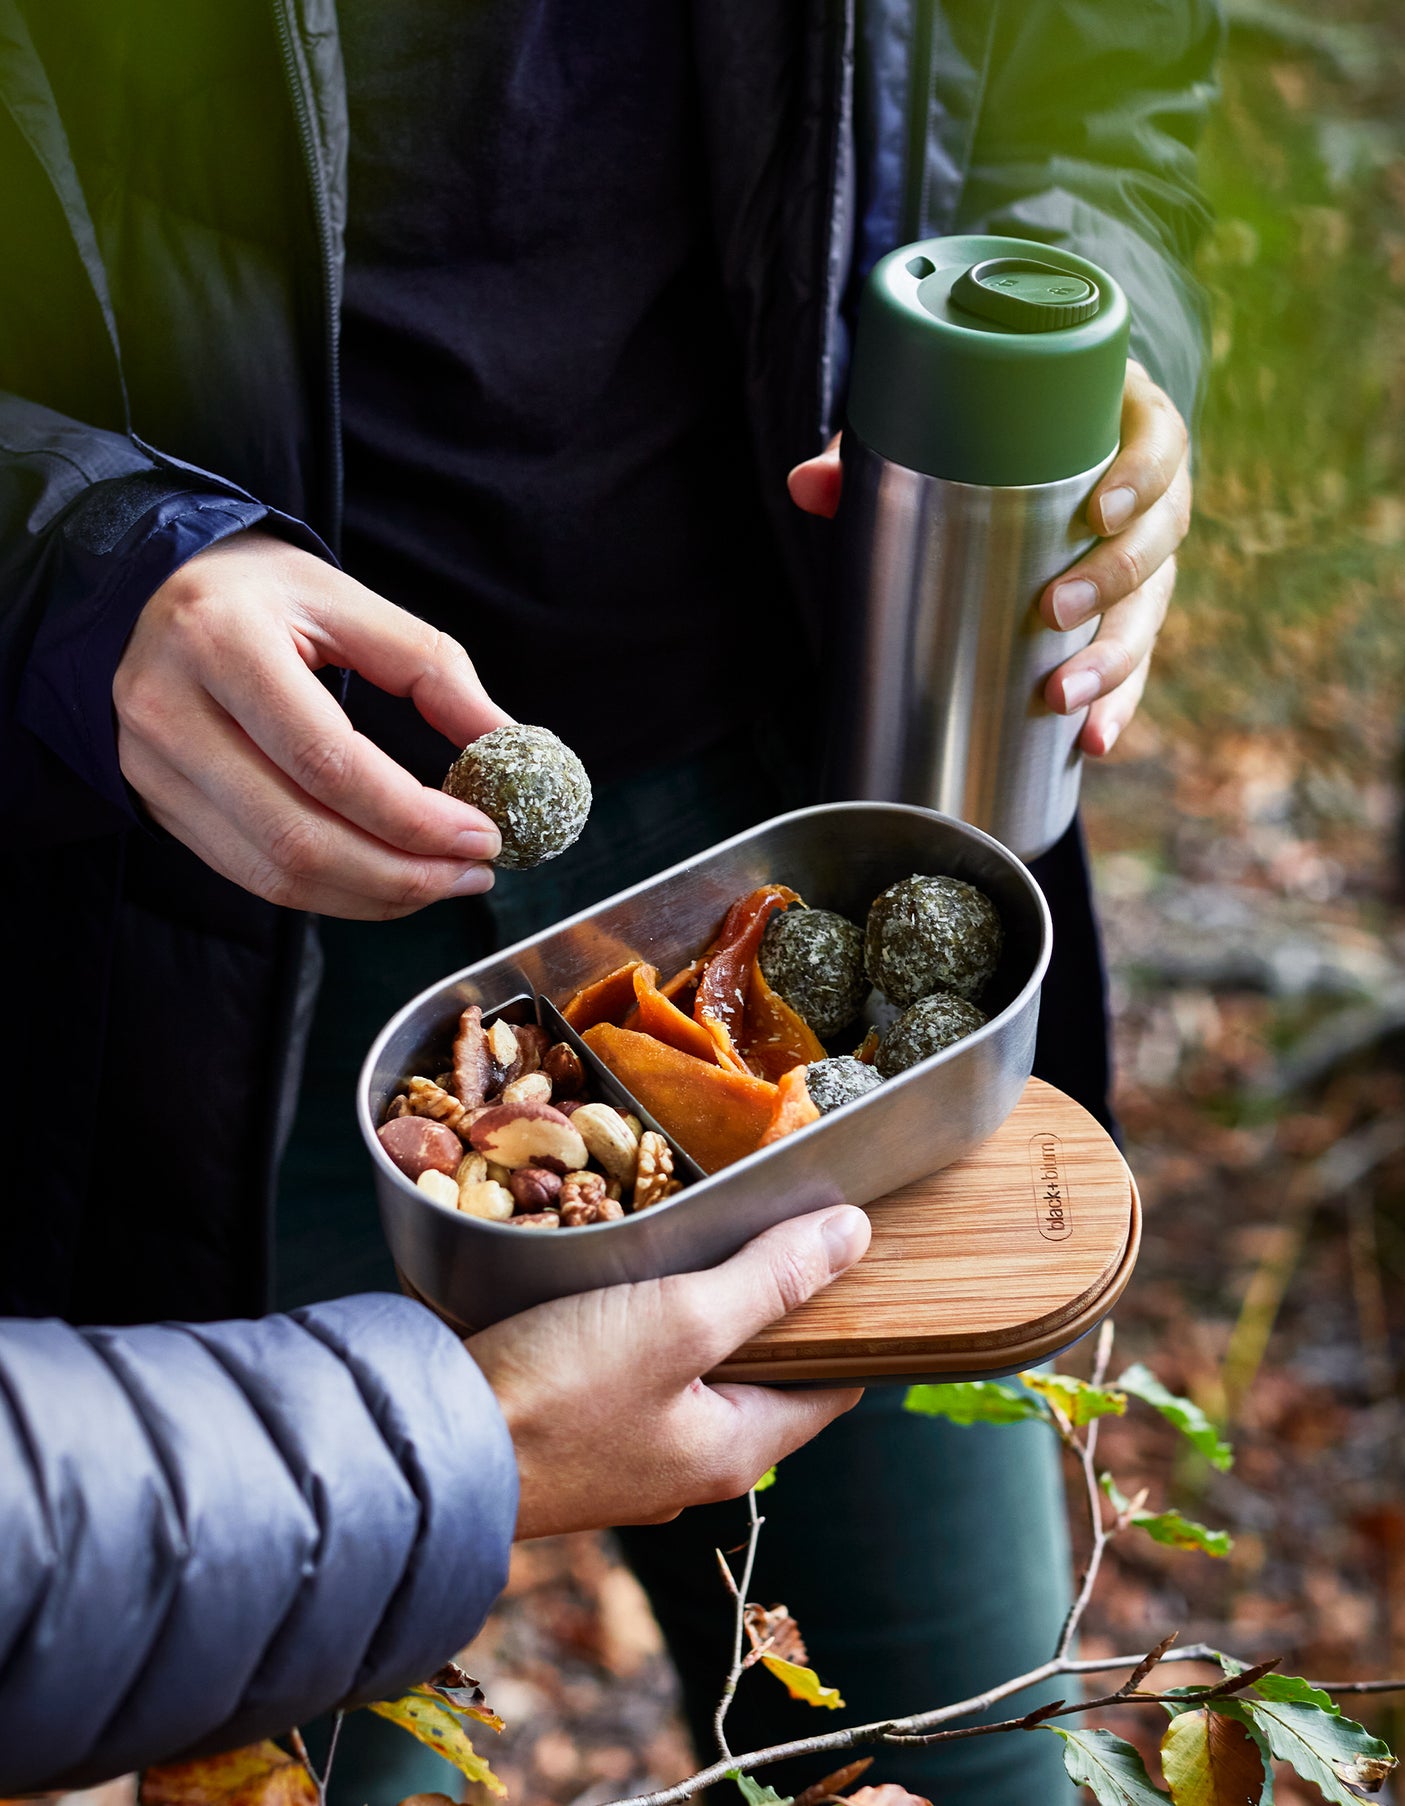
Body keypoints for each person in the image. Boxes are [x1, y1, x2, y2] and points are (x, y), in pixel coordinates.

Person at [0, 1, 1218, 1798]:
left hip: (809, 826)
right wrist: (77, 571)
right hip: (203, 920)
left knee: (980, 1750)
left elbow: (1096, 73)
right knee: (337, 1733)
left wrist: (1084, 317)